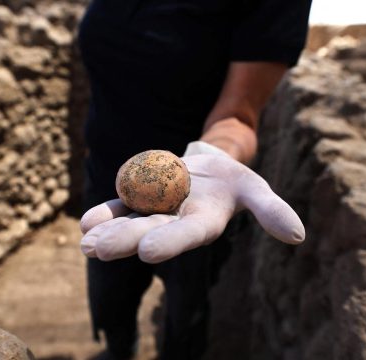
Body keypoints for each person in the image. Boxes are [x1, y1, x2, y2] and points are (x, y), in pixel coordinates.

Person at [77, 0, 312, 359]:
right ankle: (120, 349)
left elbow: (238, 116)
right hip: (104, 184)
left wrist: (211, 153)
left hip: (197, 197)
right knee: (110, 301)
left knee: (185, 320)